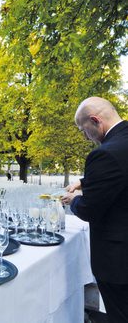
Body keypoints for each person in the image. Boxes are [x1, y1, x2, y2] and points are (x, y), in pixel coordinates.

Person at [61, 96, 128, 323]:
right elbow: (120, 173)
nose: (84, 136)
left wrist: (74, 199)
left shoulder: (104, 154)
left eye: (84, 129)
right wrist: (85, 181)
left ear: (95, 120)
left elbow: (90, 210)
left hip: (118, 261)